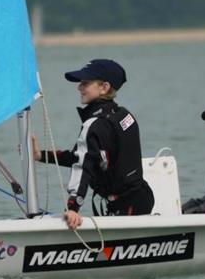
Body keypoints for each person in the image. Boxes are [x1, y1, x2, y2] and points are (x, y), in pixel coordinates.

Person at [33, 59, 155, 229]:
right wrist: (40, 155)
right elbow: (84, 157)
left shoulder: (95, 124)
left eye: (85, 83)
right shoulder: (123, 114)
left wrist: (73, 207)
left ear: (104, 87)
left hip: (127, 207)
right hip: (140, 198)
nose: (79, 87)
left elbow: (83, 165)